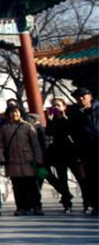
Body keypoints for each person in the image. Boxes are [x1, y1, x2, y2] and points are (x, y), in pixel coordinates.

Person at [0, 105, 43, 215]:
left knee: (32, 186)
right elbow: (0, 145)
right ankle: (21, 207)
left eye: (16, 112)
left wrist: (38, 159)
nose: (14, 114)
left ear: (21, 113)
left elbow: (35, 145)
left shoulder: (28, 127)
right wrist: (1, 158)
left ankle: (36, 206)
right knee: (17, 187)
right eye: (12, 112)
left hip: (28, 160)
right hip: (13, 161)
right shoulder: (4, 129)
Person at [69, 87, 98, 215]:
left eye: (83, 96)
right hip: (86, 151)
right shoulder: (75, 114)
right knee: (92, 179)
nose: (81, 99)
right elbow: (72, 132)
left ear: (90, 96)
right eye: (78, 97)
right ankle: (96, 205)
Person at [46, 97, 76, 213]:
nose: (56, 108)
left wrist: (64, 118)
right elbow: (49, 132)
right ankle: (67, 203)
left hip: (71, 151)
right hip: (58, 153)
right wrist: (49, 120)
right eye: (54, 106)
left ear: (64, 106)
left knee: (80, 177)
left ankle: (87, 202)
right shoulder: (53, 119)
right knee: (62, 178)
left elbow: (72, 130)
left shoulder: (69, 117)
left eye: (58, 105)